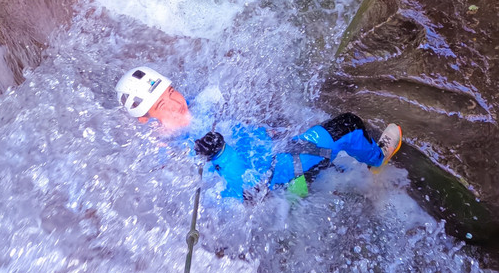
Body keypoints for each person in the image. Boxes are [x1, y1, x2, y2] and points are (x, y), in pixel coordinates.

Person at [115, 66, 402, 201]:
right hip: (275, 172)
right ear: (145, 120)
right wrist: (221, 155)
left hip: (273, 155)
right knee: (348, 124)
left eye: (172, 91)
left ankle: (311, 180)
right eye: (162, 105)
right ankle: (378, 160)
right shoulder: (178, 157)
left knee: (314, 156)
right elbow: (243, 192)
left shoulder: (188, 112)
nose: (177, 103)